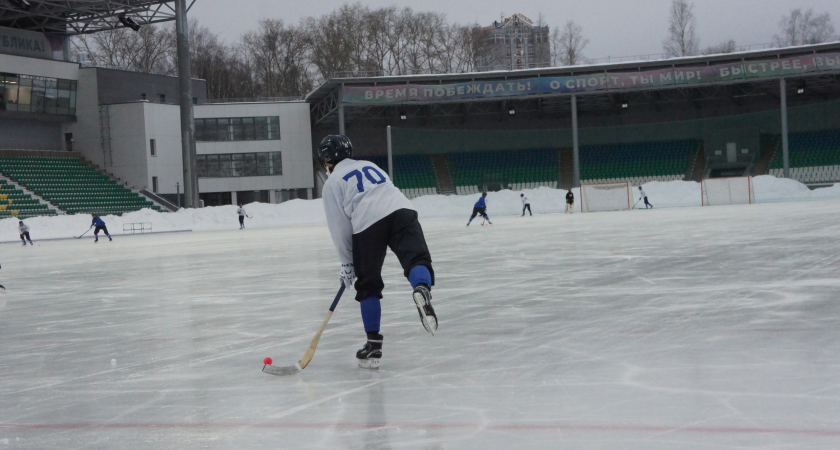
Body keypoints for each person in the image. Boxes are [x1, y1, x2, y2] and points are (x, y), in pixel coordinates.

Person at [319, 134, 437, 370]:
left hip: (368, 221)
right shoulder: (369, 165)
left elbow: (340, 228)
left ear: (327, 160)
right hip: (402, 209)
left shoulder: (332, 183)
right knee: (416, 258)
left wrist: (347, 264)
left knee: (369, 283)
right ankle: (421, 287)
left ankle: (373, 345)